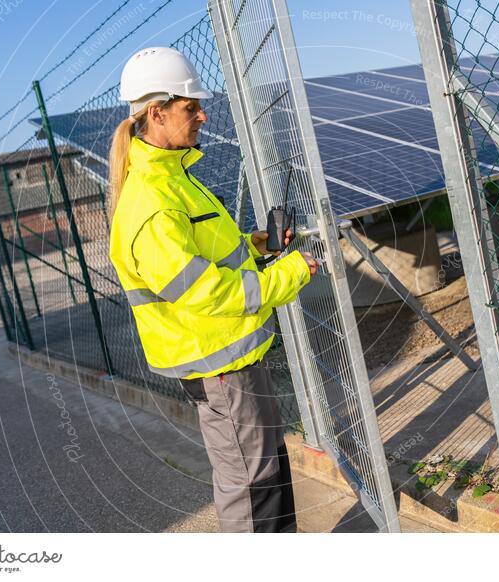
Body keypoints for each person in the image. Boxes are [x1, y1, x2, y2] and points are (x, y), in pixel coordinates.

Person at [107, 47, 318, 533]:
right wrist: (288, 274)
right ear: (156, 113)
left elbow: (201, 257)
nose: (204, 114)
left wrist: (255, 244)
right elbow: (205, 291)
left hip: (230, 359)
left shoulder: (172, 179)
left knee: (265, 470)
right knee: (251, 486)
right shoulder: (152, 202)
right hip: (218, 364)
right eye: (190, 106)